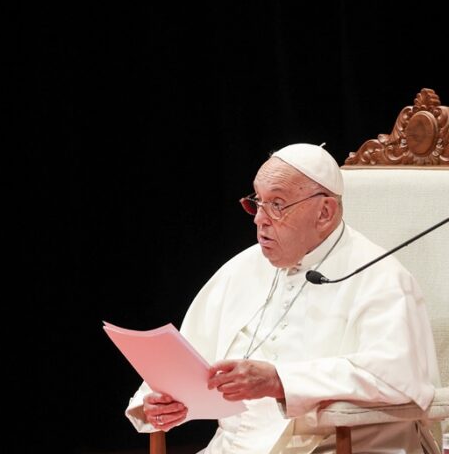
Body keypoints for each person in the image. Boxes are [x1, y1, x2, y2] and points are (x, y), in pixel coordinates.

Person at [124, 143, 441, 453]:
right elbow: (186, 360)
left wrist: (279, 380)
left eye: (276, 204)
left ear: (324, 213)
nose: (259, 219)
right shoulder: (241, 269)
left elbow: (399, 377)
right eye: (257, 202)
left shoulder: (381, 277)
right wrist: (160, 400)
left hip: (338, 445)